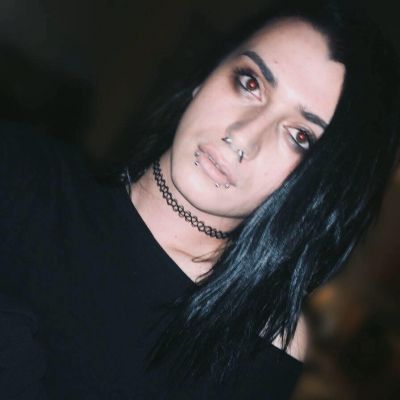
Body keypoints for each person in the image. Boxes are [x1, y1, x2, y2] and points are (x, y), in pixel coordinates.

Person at [0, 0, 398, 399]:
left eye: (300, 137)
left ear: (317, 190)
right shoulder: (21, 171)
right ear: (206, 76)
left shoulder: (264, 342)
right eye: (250, 82)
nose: (242, 137)